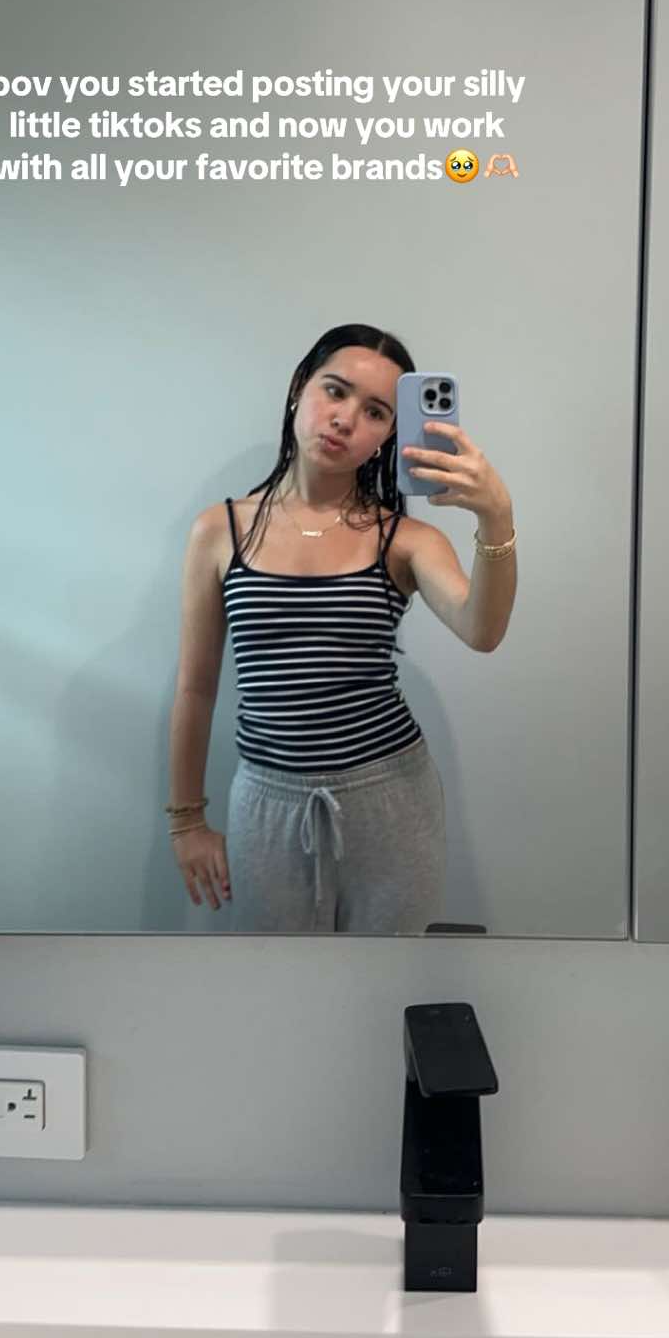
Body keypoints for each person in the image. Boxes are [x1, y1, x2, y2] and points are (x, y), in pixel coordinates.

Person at [166, 323, 518, 933]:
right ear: (299, 388)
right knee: (280, 981)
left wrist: (496, 517)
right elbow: (196, 688)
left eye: (375, 412)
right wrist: (186, 822)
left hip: (389, 800)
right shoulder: (219, 532)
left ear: (388, 435)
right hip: (266, 803)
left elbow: (482, 630)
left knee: (387, 982)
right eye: (335, 391)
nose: (345, 419)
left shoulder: (404, 540)